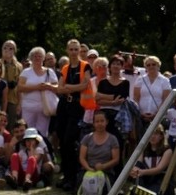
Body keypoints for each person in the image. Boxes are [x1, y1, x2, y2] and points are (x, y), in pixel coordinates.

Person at [56, 39, 93, 192]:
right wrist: (70, 88)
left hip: (78, 107)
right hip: (64, 106)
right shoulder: (65, 68)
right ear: (67, 50)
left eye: (76, 49)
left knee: (70, 141)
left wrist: (69, 87)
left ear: (79, 51)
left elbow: (85, 85)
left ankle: (73, 178)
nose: (73, 52)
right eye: (70, 49)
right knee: (62, 141)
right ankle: (66, 175)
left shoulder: (85, 66)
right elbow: (59, 89)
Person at [17, 47, 59, 136]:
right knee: (27, 132)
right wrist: (37, 87)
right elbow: (20, 88)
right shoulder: (26, 72)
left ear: (43, 58)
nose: (37, 58)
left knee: (42, 133)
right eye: (35, 56)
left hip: (44, 108)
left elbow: (57, 87)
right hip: (28, 107)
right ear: (31, 58)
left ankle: (41, 149)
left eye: (39, 56)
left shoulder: (50, 72)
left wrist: (48, 86)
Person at [78, 111, 120, 188]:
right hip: (88, 170)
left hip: (106, 172)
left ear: (106, 122)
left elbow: (116, 159)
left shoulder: (113, 139)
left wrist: (103, 166)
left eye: (102, 121)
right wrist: (89, 168)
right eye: (97, 121)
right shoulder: (87, 138)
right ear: (93, 123)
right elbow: (82, 158)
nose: (99, 124)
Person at [129, 124, 173, 195]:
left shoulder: (167, 150)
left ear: (161, 136)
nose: (152, 136)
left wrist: (142, 172)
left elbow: (159, 169)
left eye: (156, 134)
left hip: (159, 181)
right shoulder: (143, 149)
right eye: (151, 134)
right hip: (145, 180)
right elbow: (138, 164)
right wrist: (134, 170)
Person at [134, 56, 171, 125]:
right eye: (148, 65)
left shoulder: (165, 81)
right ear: (145, 67)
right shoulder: (140, 80)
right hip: (141, 117)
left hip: (158, 118)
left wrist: (156, 114)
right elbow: (136, 98)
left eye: (153, 64)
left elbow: (166, 100)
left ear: (158, 65)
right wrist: (140, 113)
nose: (151, 66)